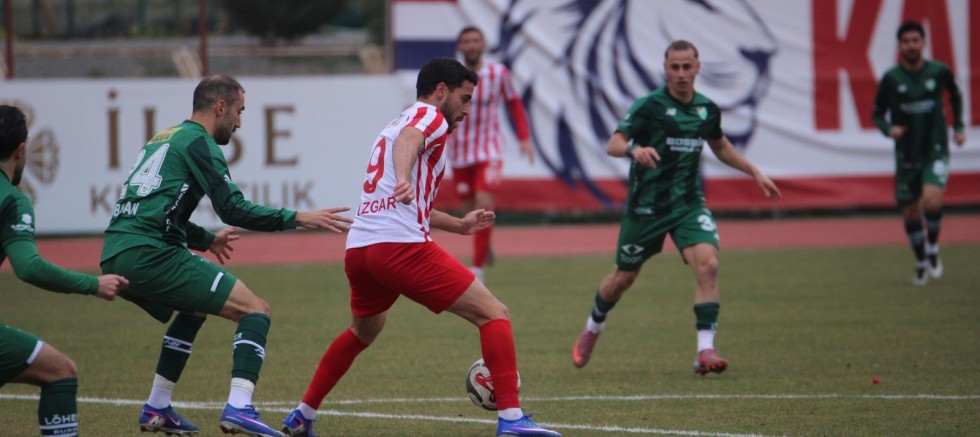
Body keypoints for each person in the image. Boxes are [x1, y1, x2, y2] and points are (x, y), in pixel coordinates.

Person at [280, 58, 561, 437]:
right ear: (441, 90)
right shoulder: (430, 117)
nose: (467, 109)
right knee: (494, 313)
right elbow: (408, 143)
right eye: (464, 98)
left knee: (362, 332)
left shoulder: (396, 122)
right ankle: (511, 419)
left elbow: (414, 199)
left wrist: (459, 225)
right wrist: (403, 177)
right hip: (398, 247)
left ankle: (303, 415)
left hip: (361, 249)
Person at [99, 75, 354, 437]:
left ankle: (157, 406)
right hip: (149, 252)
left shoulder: (163, 138)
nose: (239, 122)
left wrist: (206, 240)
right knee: (255, 310)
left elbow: (152, 210)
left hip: (116, 251)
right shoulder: (200, 143)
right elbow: (233, 209)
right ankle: (239, 406)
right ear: (221, 107)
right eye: (239, 111)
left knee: (193, 309)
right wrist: (299, 217)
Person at [570, 41, 782, 374]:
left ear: (698, 68)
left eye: (687, 66)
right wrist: (634, 150)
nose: (681, 73)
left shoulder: (706, 109)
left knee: (709, 266)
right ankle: (593, 326)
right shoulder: (649, 106)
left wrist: (754, 171)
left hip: (688, 205)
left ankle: (705, 350)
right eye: (675, 67)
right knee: (621, 280)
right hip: (646, 209)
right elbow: (614, 143)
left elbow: (720, 146)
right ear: (665, 69)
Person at [1, 104, 130, 436]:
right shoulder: (11, 201)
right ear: (21, 150)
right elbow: (28, 267)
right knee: (60, 371)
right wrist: (93, 284)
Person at [871, 20, 966, 286]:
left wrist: (958, 127)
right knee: (911, 212)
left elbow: (956, 96)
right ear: (899, 46)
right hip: (907, 153)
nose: (911, 45)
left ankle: (933, 247)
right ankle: (922, 260)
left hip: (935, 147)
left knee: (932, 201)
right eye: (906, 41)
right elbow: (877, 114)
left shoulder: (939, 71)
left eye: (915, 40)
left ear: (923, 43)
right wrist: (888, 129)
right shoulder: (892, 78)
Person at [448, 26, 535, 282]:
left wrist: (524, 137)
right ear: (460, 46)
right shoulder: (450, 76)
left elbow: (514, 103)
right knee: (468, 210)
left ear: (483, 44)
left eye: (476, 40)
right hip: (459, 151)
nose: (471, 45)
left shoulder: (498, 73)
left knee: (484, 203)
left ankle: (477, 269)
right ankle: (485, 243)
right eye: (466, 41)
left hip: (489, 149)